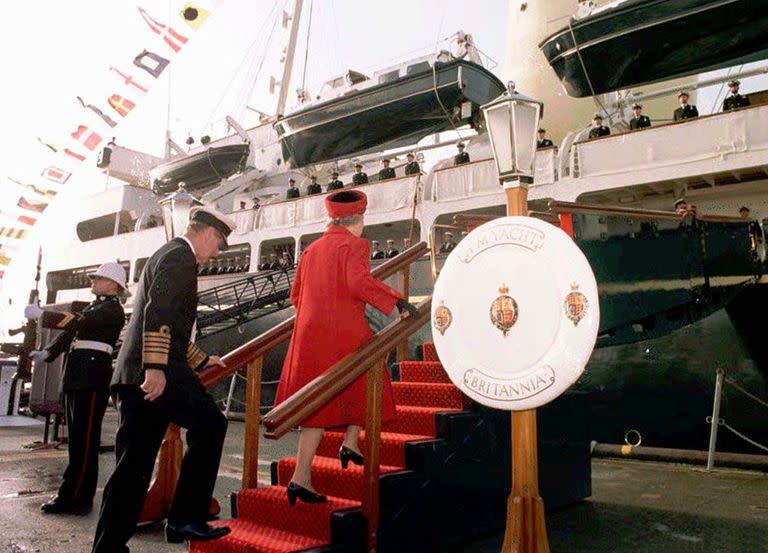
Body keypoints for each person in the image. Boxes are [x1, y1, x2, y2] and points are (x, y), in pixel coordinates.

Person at [91, 206, 235, 552]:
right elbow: (160, 313)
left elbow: (168, 322)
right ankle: (186, 517)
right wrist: (155, 368)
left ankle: (108, 547)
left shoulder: (168, 254)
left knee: (133, 467)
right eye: (218, 242)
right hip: (157, 374)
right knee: (211, 425)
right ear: (206, 232)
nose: (217, 252)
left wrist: (200, 359)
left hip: (140, 374)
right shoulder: (180, 257)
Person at [273, 189, 418, 506]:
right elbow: (358, 283)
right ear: (360, 219)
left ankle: (304, 474)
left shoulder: (311, 250)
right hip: (343, 332)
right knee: (370, 373)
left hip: (309, 337)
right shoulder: (356, 244)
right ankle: (349, 443)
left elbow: (296, 296)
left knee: (317, 400)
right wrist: (397, 302)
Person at [25, 263, 127, 515]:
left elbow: (78, 322)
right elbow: (72, 333)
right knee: (77, 442)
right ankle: (75, 494)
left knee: (85, 443)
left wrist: (42, 316)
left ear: (114, 285)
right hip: (77, 378)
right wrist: (48, 352)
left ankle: (75, 497)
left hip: (91, 381)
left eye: (99, 277)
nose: (93, 280)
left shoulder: (113, 310)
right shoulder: (95, 307)